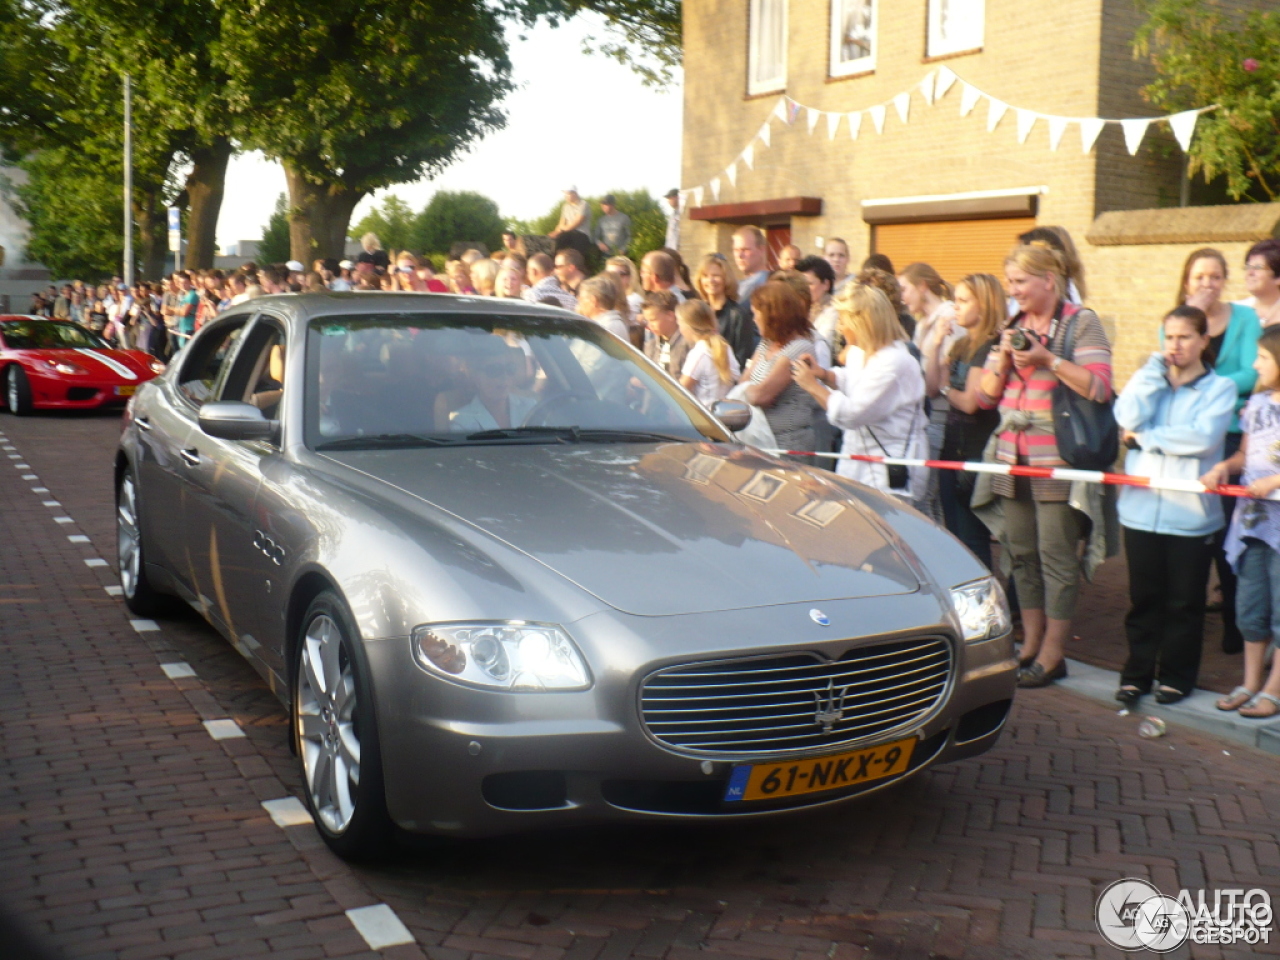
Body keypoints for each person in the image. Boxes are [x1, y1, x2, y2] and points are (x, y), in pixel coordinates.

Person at [976, 244, 1114, 689]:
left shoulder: (1081, 322)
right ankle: (1030, 644)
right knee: (1020, 554)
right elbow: (984, 397)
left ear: (1048, 282)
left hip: (1056, 457)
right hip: (1011, 455)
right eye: (1010, 282)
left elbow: (1099, 388)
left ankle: (1054, 653)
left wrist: (1047, 359)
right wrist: (1000, 361)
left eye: (1020, 283)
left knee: (1056, 557)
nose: (1012, 292)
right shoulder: (1011, 325)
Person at [1113, 306, 1235, 707]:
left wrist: (1143, 439)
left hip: (1191, 516)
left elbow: (1201, 438)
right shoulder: (1151, 380)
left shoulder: (1220, 388)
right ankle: (1137, 675)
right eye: (1169, 337)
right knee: (1144, 599)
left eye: (1185, 337)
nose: (1175, 346)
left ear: (1203, 341)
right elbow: (1125, 414)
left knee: (1185, 603)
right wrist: (1151, 373)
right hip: (1140, 511)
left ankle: (1177, 678)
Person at [1179, 247, 1262, 655]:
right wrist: (1190, 319)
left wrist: (1207, 386)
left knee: (1231, 530)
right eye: (1199, 277)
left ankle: (1234, 619)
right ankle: (1188, 620)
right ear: (1186, 282)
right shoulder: (1178, 322)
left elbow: (1251, 372)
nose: (1207, 284)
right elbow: (1173, 371)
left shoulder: (1244, 318)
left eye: (1214, 276)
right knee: (1195, 537)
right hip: (1191, 441)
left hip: (1230, 436)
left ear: (1224, 280)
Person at [1203, 326, 1280, 718]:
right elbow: (1246, 456)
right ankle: (1250, 681)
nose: (1254, 365)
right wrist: (1224, 467)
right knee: (1250, 605)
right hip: (1252, 522)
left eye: (1263, 358)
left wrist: (1275, 480)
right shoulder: (1258, 401)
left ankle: (1274, 688)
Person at [791, 283, 927, 503]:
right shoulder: (858, 352)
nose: (839, 327)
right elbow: (854, 381)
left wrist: (812, 386)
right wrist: (824, 375)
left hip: (888, 470)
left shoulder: (894, 362)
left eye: (843, 320)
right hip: (858, 463)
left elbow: (853, 413)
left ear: (862, 322)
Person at [925, 274, 1006, 567]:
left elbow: (971, 402)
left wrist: (948, 388)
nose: (955, 307)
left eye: (963, 300)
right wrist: (935, 345)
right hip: (952, 450)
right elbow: (931, 387)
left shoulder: (990, 347)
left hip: (975, 452)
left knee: (972, 538)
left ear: (984, 305)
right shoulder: (960, 345)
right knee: (955, 536)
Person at [900, 262, 961, 521]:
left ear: (922, 286)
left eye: (905, 289)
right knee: (926, 496)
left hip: (940, 413)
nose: (902, 296)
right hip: (924, 414)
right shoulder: (922, 322)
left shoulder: (948, 317)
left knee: (928, 495)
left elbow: (946, 366)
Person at [741, 280, 822, 463]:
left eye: (757, 314)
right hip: (760, 443)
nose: (754, 320)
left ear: (772, 315)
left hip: (787, 446)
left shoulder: (799, 348)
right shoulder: (766, 344)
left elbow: (760, 396)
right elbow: (743, 383)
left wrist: (751, 389)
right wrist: (750, 389)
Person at [449, 338, 537, 433]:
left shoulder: (531, 407)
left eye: (510, 368)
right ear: (475, 376)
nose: (505, 376)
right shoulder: (462, 421)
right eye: (494, 370)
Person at [692, 253, 759, 370]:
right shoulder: (697, 311)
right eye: (705, 276)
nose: (710, 280)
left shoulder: (738, 315)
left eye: (716, 275)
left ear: (726, 279)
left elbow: (741, 358)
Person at [676, 299, 740, 406]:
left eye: (680, 324)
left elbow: (681, 390)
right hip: (725, 413)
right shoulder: (725, 347)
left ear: (688, 327)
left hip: (705, 415)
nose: (680, 329)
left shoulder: (699, 353)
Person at [796, 255, 839, 358]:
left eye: (810, 283)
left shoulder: (833, 312)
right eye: (801, 283)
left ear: (826, 284)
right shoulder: (800, 308)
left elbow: (822, 343)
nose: (804, 289)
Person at [642, 290, 689, 378]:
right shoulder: (651, 346)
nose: (649, 325)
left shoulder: (688, 344)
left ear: (670, 316)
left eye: (653, 320)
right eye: (647, 321)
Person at [1238, 238, 1280, 328]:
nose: (1250, 273)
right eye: (1248, 267)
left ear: (1278, 277)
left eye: (1258, 267)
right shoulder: (1237, 311)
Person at [732, 226, 771, 307]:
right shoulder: (738, 285)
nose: (739, 255)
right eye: (736, 250)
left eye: (745, 250)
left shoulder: (764, 283)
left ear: (761, 250)